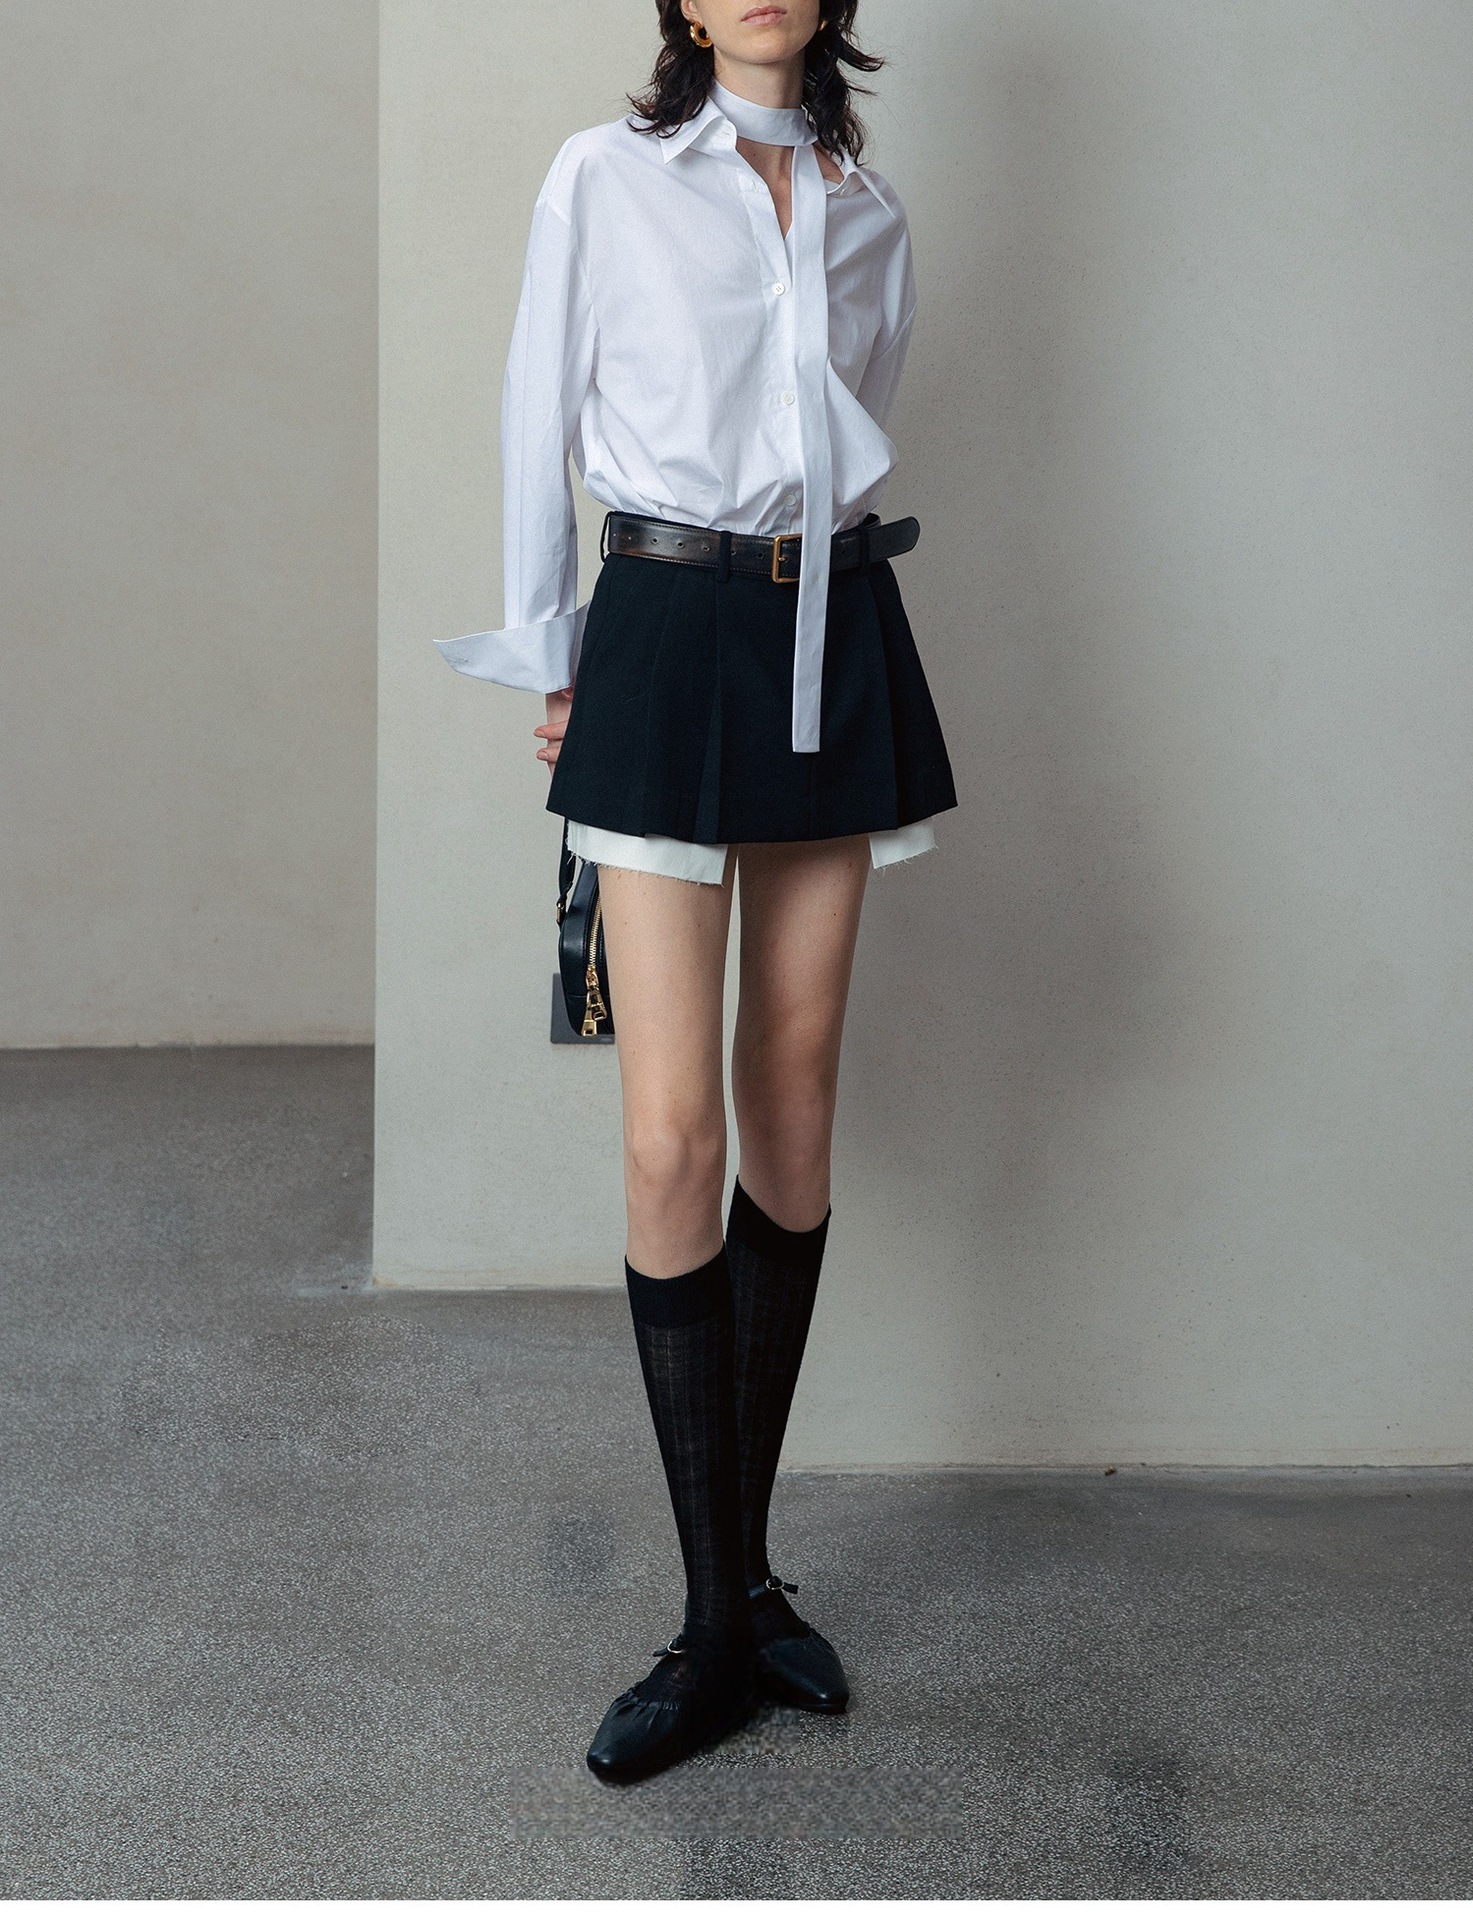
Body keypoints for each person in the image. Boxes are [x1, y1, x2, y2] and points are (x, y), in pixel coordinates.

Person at [435, 0, 956, 1785]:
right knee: (670, 1137)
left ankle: (746, 1580)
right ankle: (703, 1622)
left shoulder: (869, 210)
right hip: (660, 627)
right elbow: (538, 403)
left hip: (831, 628)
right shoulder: (605, 176)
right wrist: (552, 654)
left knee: (791, 1104)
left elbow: (849, 424)